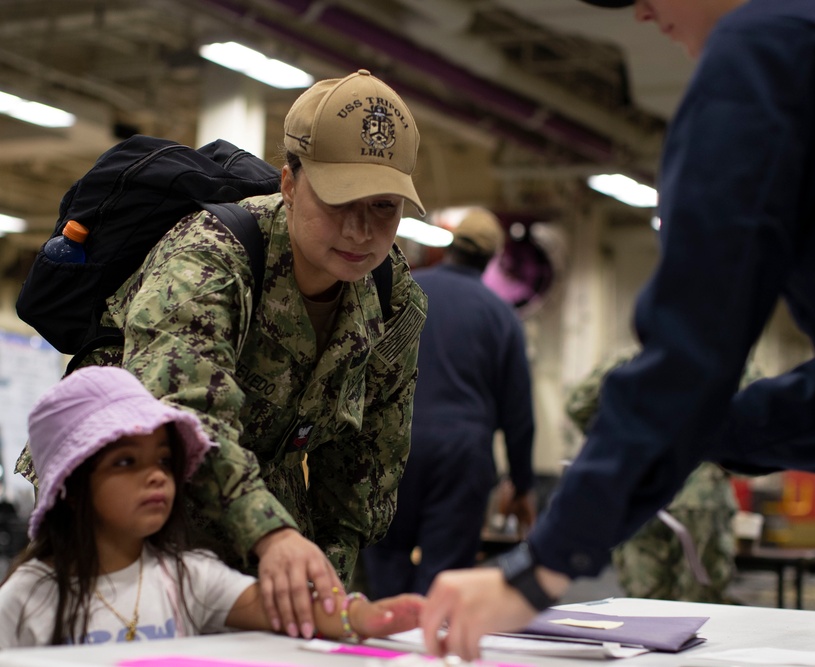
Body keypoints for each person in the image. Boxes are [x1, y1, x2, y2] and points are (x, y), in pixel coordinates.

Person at [418, 1, 815, 665]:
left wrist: (538, 568)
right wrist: (709, 431)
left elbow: (694, 339)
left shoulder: (769, 42)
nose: (639, 10)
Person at [16, 69, 428, 641]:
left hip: (256, 485)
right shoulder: (208, 256)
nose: (361, 230)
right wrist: (272, 536)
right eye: (339, 200)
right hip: (123, 490)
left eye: (383, 207)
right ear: (289, 183)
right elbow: (184, 418)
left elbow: (368, 462)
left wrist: (325, 597)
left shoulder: (392, 295)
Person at [0, 366, 423, 648]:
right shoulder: (25, 597)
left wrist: (363, 618)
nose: (156, 476)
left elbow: (289, 610)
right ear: (70, 487)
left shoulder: (187, 577)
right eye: (125, 461)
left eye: (165, 460)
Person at [362, 208, 536, 598]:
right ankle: (430, 647)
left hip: (393, 443)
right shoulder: (501, 316)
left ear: (451, 245)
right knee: (443, 576)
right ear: (492, 259)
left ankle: (389, 638)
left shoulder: (406, 291)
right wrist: (522, 484)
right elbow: (518, 413)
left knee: (385, 554)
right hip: (461, 456)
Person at [565, 348, 761, 603]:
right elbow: (758, 417)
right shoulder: (728, 358)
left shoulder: (636, 358)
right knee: (702, 605)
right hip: (700, 494)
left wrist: (619, 442)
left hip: (639, 493)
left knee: (645, 605)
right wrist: (724, 455)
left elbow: (578, 404)